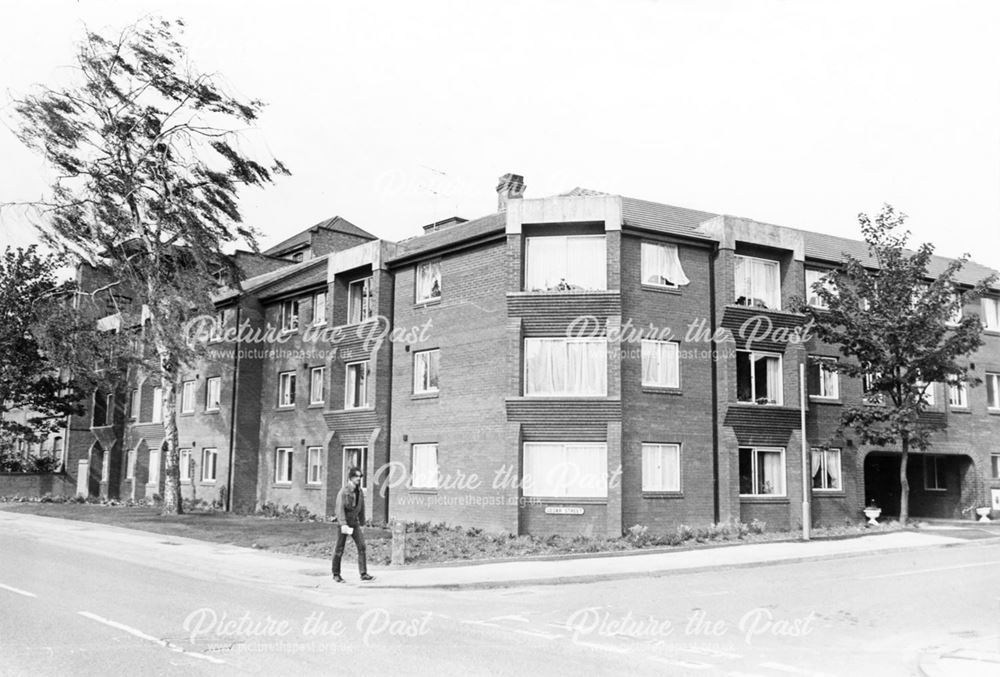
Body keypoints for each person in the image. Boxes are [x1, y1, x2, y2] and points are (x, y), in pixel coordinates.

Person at [332, 466, 373, 582]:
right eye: (356, 476)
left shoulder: (359, 491)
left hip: (354, 523)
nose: (359, 479)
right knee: (339, 548)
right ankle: (336, 574)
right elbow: (339, 509)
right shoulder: (343, 492)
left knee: (362, 546)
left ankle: (363, 573)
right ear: (350, 478)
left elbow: (361, 507)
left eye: (360, 477)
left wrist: (362, 523)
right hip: (344, 523)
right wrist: (343, 524)